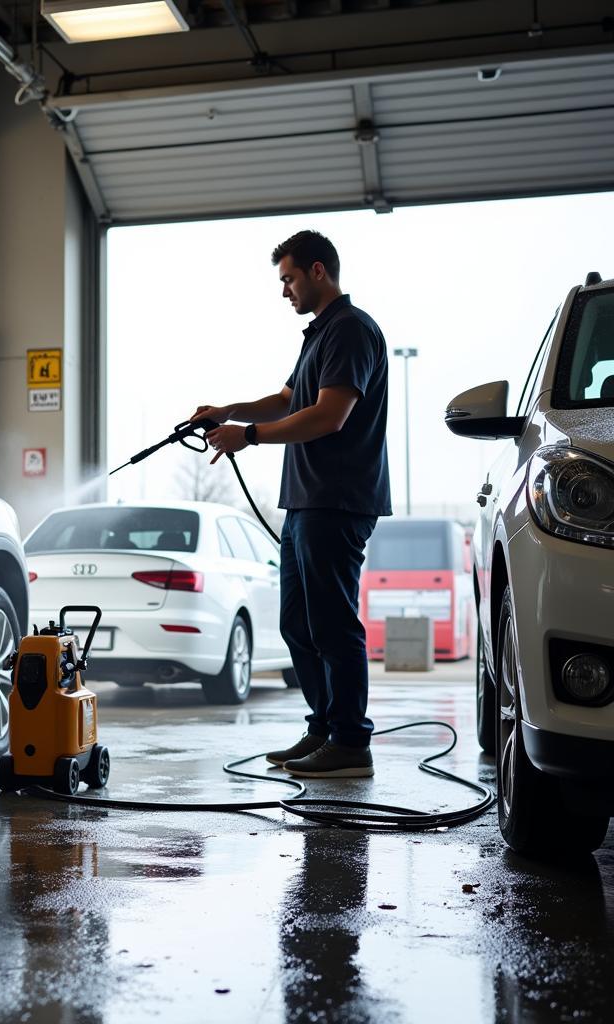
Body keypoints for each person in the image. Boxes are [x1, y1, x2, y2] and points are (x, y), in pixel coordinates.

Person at [191, 229, 391, 778]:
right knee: (298, 622)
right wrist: (227, 411)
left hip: (338, 499)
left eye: (289, 279)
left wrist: (249, 436)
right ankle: (323, 729)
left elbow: (330, 415)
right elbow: (287, 399)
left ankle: (352, 743)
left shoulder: (351, 330)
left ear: (318, 271)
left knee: (332, 623)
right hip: (306, 501)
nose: (285, 291)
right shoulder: (319, 335)